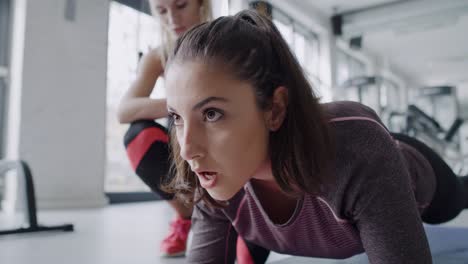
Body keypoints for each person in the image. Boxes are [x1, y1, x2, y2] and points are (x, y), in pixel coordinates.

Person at [162, 10, 468, 263]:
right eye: (176, 117)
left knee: (460, 196)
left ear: (275, 109)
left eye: (212, 114)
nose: (188, 150)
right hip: (269, 202)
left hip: (407, 164)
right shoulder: (212, 173)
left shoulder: (358, 152)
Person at [117, 0, 212, 257]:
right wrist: (180, 103)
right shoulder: (158, 56)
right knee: (138, 134)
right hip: (186, 150)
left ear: (201, 4)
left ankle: (241, 213)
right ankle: (186, 213)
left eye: (181, 5)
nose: (172, 18)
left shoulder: (227, 42)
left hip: (225, 143)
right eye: (161, 11)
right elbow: (124, 110)